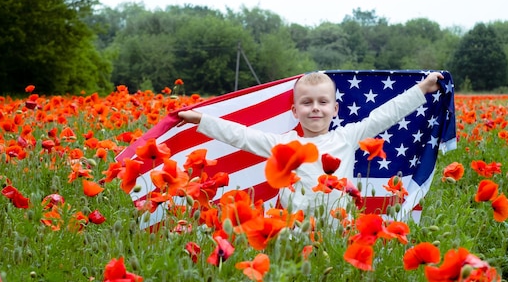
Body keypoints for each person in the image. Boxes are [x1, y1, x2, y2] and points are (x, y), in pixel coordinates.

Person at [178, 71, 444, 215]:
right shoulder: (282, 144)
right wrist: (199, 119)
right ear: (295, 111)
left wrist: (421, 89)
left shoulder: (347, 136)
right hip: (296, 231)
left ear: (335, 108)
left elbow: (385, 114)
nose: (315, 109)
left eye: (322, 102)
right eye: (306, 103)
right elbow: (241, 135)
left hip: (339, 228)